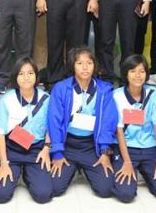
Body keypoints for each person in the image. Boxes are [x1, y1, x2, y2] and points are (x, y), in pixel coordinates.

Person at [47, 47, 117, 198]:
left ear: (94, 65)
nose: (85, 67)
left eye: (89, 63)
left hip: (91, 145)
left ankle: (84, 169)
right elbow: (54, 122)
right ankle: (74, 168)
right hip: (68, 144)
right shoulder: (61, 88)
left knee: (106, 190)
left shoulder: (104, 90)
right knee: (54, 188)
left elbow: (108, 124)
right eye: (80, 63)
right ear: (73, 66)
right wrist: (57, 153)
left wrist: (105, 153)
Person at [111, 54, 156, 202]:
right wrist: (127, 163)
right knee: (125, 194)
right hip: (127, 149)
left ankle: (145, 174)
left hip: (150, 149)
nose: (138, 75)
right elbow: (119, 132)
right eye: (133, 71)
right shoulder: (117, 96)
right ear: (126, 74)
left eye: (142, 71)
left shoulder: (154, 94)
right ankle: (136, 171)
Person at [0, 57, 52, 204]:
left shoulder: (46, 99)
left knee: (44, 195)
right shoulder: (7, 99)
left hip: (36, 150)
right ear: (15, 77)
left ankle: (27, 175)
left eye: (30, 73)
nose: (26, 77)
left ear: (36, 75)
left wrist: (46, 148)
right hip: (12, 149)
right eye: (21, 74)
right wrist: (4, 163)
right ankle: (16, 170)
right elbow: (0, 133)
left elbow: (51, 127)